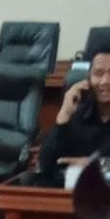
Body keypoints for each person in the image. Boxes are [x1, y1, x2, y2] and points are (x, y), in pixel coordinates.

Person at [39, 41, 110, 177]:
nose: (105, 81)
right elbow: (45, 165)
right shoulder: (76, 113)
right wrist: (64, 113)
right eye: (98, 73)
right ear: (88, 78)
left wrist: (96, 164)